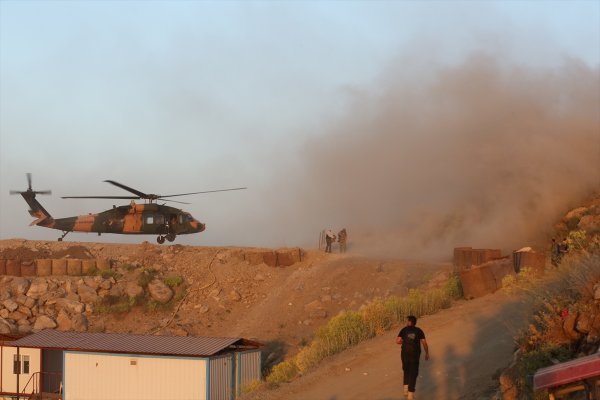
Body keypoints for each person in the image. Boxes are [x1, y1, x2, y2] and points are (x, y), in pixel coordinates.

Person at [396, 315, 429, 399]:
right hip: (415, 354)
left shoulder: (403, 330)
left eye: (407, 321)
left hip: (405, 353)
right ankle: (410, 394)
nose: (406, 322)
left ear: (410, 322)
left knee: (406, 370)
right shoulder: (419, 331)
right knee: (413, 373)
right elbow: (424, 342)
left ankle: (405, 390)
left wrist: (404, 341)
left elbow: (398, 341)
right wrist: (427, 353)